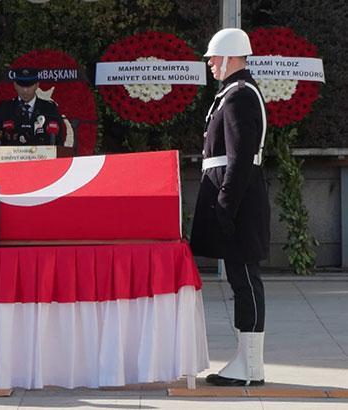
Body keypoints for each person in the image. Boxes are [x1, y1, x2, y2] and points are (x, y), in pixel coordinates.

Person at [190, 28, 270, 387]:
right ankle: (246, 360)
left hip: (239, 202)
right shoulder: (233, 93)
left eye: (214, 57)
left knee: (245, 279)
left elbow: (239, 157)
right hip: (237, 199)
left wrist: (225, 205)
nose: (210, 63)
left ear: (231, 57)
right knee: (241, 279)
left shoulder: (239, 96)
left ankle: (250, 366)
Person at [0, 68, 63, 146]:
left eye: (29, 86)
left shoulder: (49, 108)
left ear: (37, 85)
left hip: (43, 153)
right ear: (15, 85)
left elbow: (58, 139)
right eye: (21, 85)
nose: (25, 90)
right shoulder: (5, 108)